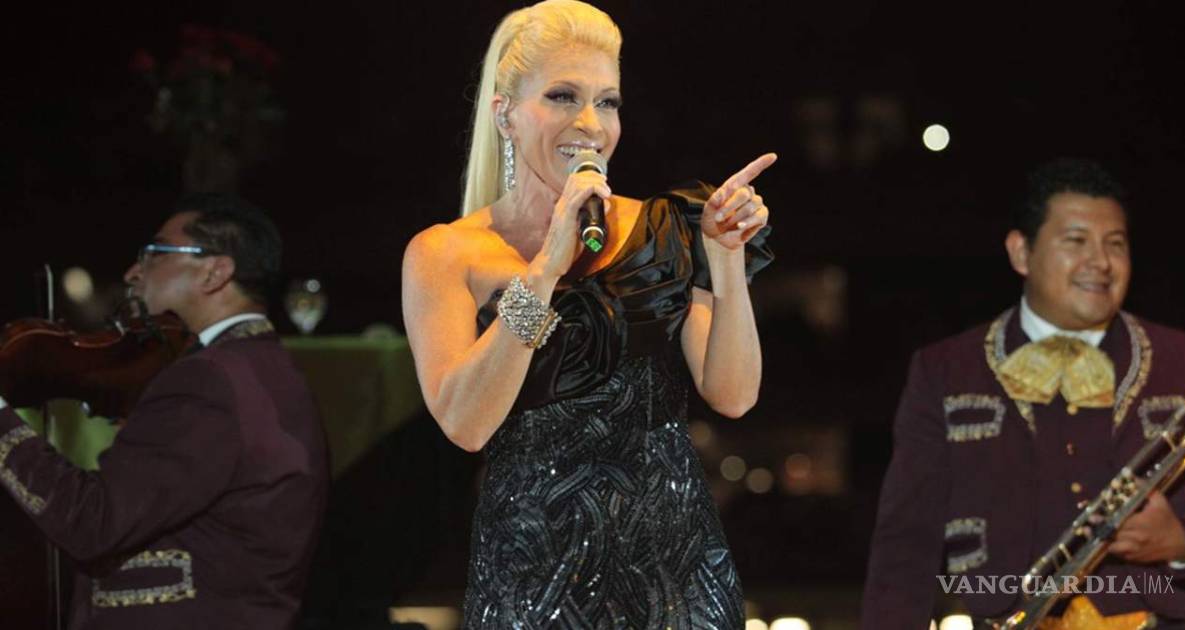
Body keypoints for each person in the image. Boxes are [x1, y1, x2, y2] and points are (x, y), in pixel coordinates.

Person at [401, 0, 774, 626]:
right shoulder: (445, 254)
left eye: (607, 102)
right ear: (505, 114)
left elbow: (733, 395)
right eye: (563, 96)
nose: (591, 124)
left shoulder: (662, 231)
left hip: (675, 574)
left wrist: (727, 258)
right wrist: (546, 268)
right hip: (534, 576)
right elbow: (466, 424)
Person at [862, 159, 1185, 628]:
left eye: (1115, 244)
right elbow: (905, 544)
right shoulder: (944, 370)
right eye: (1076, 241)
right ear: (1021, 253)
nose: (1101, 262)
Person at [0, 193, 329, 629]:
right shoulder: (265, 368)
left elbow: (93, 521)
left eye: (154, 253)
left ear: (215, 271)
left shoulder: (209, 379)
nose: (133, 272)